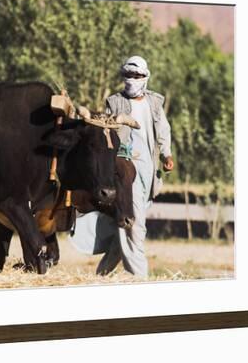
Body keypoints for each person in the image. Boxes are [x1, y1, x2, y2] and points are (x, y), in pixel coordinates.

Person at [69, 55, 173, 278]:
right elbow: (104, 131)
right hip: (125, 170)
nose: (131, 80)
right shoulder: (114, 102)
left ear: (145, 78)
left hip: (148, 171)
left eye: (136, 76)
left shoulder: (153, 102)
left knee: (125, 225)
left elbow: (163, 130)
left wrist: (166, 154)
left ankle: (100, 277)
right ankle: (140, 278)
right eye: (128, 75)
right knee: (133, 225)